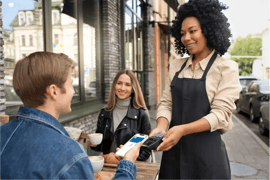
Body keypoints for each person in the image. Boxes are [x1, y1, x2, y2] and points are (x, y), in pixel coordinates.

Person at [0, 52, 142, 180]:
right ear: (54, 91)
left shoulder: (2, 133)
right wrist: (127, 164)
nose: (73, 92)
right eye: (71, 85)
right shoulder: (69, 154)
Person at [149, 0, 241, 179]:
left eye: (192, 31)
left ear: (208, 30)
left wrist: (182, 130)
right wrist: (161, 127)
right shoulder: (176, 66)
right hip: (173, 155)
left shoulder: (226, 69)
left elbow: (220, 115)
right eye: (183, 33)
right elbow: (166, 103)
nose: (186, 38)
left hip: (207, 159)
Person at [92, 70, 151, 161]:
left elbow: (146, 149)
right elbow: (100, 146)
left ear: (133, 89)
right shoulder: (104, 113)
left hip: (131, 168)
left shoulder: (141, 114)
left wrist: (127, 159)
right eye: (119, 83)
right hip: (108, 166)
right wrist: (93, 144)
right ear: (114, 86)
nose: (122, 88)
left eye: (128, 85)